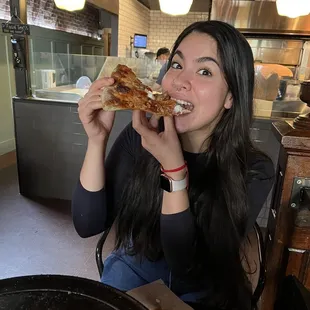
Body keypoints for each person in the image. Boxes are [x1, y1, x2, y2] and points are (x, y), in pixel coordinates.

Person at [72, 20, 275, 310]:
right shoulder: (138, 137)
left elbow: (187, 266)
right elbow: (86, 223)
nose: (179, 81)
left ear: (231, 96)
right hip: (135, 272)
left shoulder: (254, 169)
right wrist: (96, 140)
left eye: (205, 71)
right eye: (177, 65)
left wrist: (174, 171)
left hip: (205, 289)